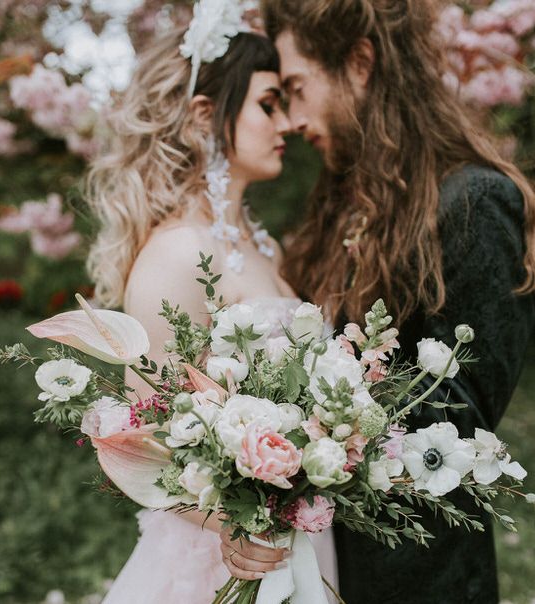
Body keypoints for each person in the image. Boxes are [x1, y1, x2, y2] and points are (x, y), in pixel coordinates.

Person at [219, 1, 535, 602]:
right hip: (321, 562)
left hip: (416, 576)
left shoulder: (472, 202)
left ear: (360, 64)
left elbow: (456, 427)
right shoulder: (349, 205)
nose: (294, 117)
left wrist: (295, 430)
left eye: (299, 88)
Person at [85, 16, 338, 604]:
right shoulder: (175, 254)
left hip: (295, 543)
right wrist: (233, 526)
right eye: (268, 105)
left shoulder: (263, 247)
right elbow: (140, 445)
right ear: (204, 116)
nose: (286, 124)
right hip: (217, 567)